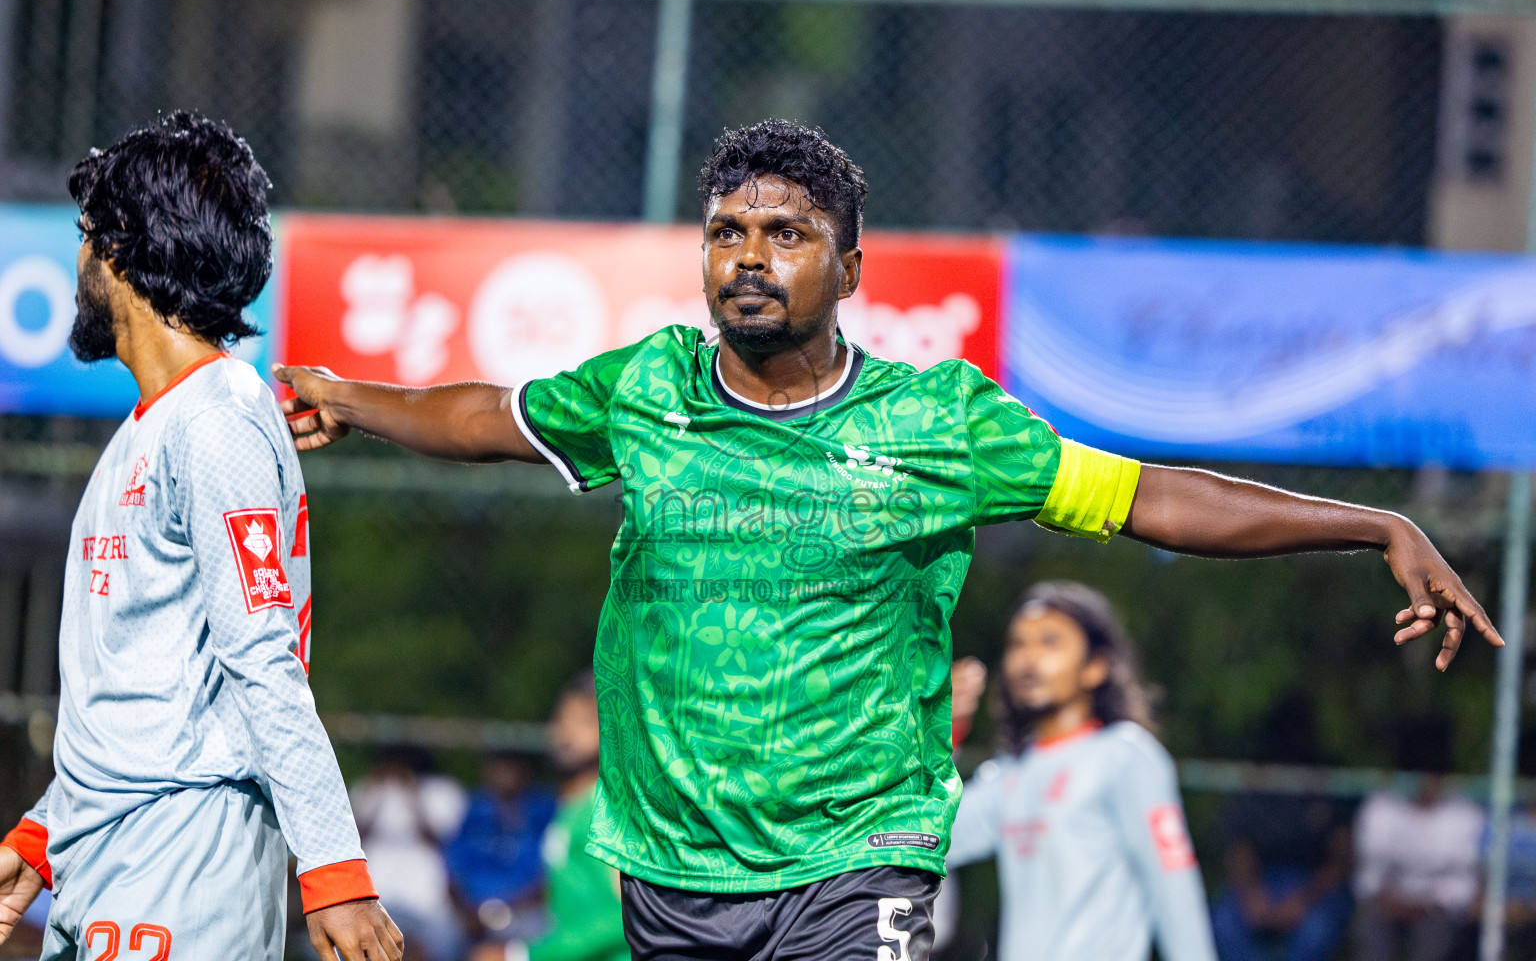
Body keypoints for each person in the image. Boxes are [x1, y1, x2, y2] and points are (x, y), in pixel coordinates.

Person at [273, 119, 1498, 961]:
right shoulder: (646, 388)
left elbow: (1151, 499)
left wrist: (1372, 523)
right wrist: (352, 396)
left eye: (788, 234)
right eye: (727, 233)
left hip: (857, 863)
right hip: (673, 869)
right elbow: (493, 416)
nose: (750, 258)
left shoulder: (937, 423)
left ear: (850, 266)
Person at [0, 113, 402, 961]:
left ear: (120, 248)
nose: (79, 262)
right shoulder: (155, 427)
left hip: (183, 862)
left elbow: (261, 659)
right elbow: (145, 687)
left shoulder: (217, 420)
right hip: (106, 856)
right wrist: (44, 833)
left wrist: (334, 868)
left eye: (86, 237)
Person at [945, 581, 1217, 961]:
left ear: (1095, 666)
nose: (1029, 658)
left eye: (1050, 642)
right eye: (1018, 644)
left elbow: (1174, 889)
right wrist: (943, 735)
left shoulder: (1125, 756)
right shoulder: (1010, 773)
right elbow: (931, 838)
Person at [476, 671, 628, 961]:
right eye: (561, 719)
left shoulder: (608, 810)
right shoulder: (569, 809)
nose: (566, 733)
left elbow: (627, 914)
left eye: (584, 721)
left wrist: (520, 955)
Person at [1211, 695, 1354, 961]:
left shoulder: (1327, 781)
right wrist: (1252, 895)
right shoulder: (1256, 780)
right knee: (1224, 922)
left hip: (1315, 889)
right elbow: (1239, 849)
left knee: (1316, 930)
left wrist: (1302, 901)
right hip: (1262, 881)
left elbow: (1342, 860)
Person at [1352, 716, 1482, 961]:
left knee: (1435, 940)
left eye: (1432, 766)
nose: (1424, 776)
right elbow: (1368, 876)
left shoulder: (1465, 814)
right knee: (1370, 927)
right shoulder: (1380, 808)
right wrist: (1388, 899)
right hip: (1387, 903)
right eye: (1416, 766)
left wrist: (1430, 903)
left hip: (1438, 909)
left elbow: (1464, 881)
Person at [351, 747, 469, 961]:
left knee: (435, 947)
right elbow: (354, 837)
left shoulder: (440, 789)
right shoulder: (368, 787)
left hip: (425, 899)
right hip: (377, 893)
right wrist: (380, 792)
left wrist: (410, 791)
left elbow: (439, 838)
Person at [447, 752, 559, 942]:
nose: (505, 772)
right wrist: (471, 913)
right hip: (473, 915)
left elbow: (552, 874)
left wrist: (502, 913)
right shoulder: (476, 809)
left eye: (512, 765)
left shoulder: (543, 808)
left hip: (528, 913)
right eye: (499, 765)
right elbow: (452, 871)